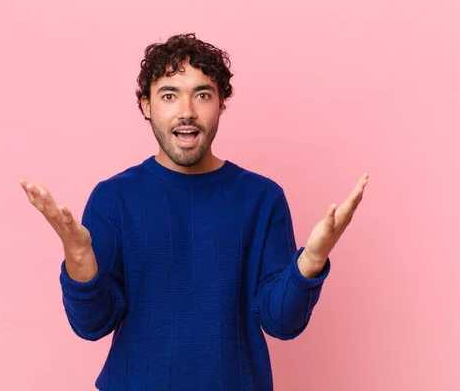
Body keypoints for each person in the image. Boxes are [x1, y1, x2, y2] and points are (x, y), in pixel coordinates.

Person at [19, 33, 369, 391]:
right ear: (146, 106)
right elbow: (91, 324)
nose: (187, 111)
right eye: (169, 95)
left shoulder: (263, 198)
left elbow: (282, 322)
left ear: (221, 105)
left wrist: (312, 259)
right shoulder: (113, 198)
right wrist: (78, 256)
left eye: (202, 95)